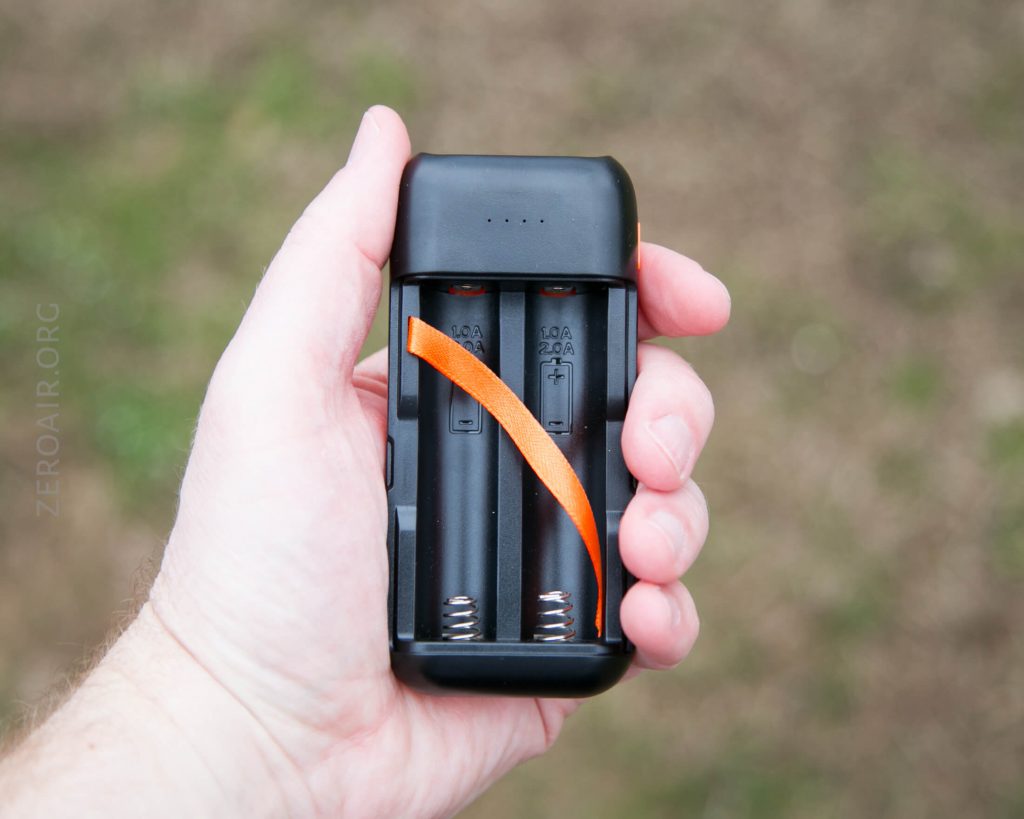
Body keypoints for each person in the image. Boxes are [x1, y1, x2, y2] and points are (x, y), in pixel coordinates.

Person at [0, 106, 730, 818]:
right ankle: (522, 618)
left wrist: (222, 706)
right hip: (331, 686)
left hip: (382, 685)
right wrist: (228, 688)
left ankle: (524, 618)